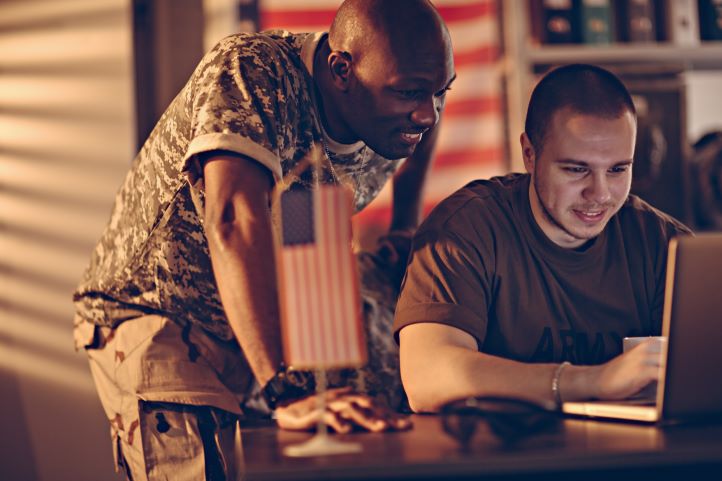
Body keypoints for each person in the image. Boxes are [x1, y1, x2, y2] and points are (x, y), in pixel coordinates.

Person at [72, 0, 455, 479]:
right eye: (411, 93)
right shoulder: (253, 70)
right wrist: (287, 388)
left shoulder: (400, 116)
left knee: (362, 440)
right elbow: (233, 217)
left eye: (440, 93)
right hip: (161, 309)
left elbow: (309, 229)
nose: (428, 115)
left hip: (277, 282)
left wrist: (403, 225)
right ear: (341, 70)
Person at [394, 64, 692, 414]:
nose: (600, 194)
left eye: (617, 169)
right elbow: (426, 378)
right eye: (576, 169)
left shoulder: (665, 244)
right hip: (500, 462)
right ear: (530, 155)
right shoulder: (466, 228)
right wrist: (593, 381)